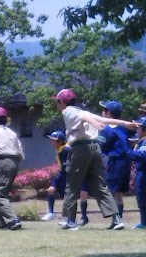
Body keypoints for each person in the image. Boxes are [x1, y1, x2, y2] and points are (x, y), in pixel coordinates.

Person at [52, 88, 136, 230]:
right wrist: (124, 123)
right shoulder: (81, 110)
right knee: (100, 185)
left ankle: (71, 220)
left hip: (80, 148)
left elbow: (83, 118)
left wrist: (92, 121)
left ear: (62, 102)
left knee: (72, 184)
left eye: (57, 102)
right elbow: (103, 119)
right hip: (94, 148)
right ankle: (116, 219)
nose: (57, 104)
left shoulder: (68, 111)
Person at [98, 100, 132, 223]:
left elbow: (100, 146)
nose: (102, 112)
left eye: (104, 110)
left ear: (108, 113)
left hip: (115, 160)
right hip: (126, 161)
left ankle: (116, 220)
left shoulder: (106, 129)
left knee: (111, 191)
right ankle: (119, 219)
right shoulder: (124, 127)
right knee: (118, 192)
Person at [41, 131, 68, 221]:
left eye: (53, 140)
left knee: (66, 196)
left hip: (66, 175)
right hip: (61, 173)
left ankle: (69, 218)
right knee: (51, 190)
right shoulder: (59, 149)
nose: (51, 142)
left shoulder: (66, 150)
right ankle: (51, 212)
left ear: (59, 142)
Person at [127, 116, 146, 229]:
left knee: (143, 197)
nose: (137, 129)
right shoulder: (141, 141)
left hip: (144, 173)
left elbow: (143, 156)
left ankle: (144, 223)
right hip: (141, 172)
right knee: (141, 197)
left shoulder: (144, 142)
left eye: (139, 127)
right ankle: (143, 222)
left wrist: (127, 152)